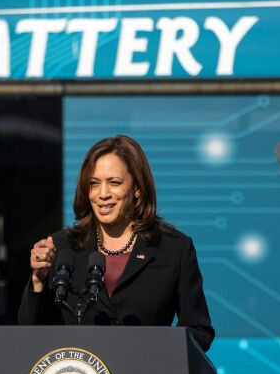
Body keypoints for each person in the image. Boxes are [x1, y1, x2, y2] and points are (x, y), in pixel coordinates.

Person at [17, 135, 215, 351]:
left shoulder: (173, 248)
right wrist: (38, 279)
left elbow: (199, 331)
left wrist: (158, 357)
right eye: (94, 184)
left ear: (137, 188)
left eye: (114, 182)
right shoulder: (62, 246)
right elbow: (31, 332)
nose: (102, 194)